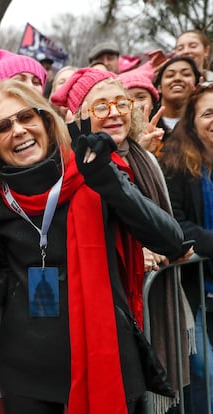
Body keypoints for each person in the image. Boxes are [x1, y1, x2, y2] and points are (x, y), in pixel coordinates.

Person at [0, 78, 186, 414]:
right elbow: (0, 280)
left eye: (27, 117)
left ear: (45, 120)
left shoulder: (93, 171)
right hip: (29, 374)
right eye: (3, 126)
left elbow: (170, 241)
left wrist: (109, 182)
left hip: (108, 359)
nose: (19, 131)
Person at [51, 68, 194, 412]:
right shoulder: (61, 169)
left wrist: (112, 182)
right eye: (100, 106)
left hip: (149, 305)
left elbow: (170, 234)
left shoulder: (144, 159)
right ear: (77, 117)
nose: (114, 112)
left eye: (120, 103)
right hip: (88, 320)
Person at [159, 81, 213, 414]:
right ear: (192, 121)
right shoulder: (177, 164)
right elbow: (174, 224)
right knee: (205, 376)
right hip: (196, 296)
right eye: (209, 113)